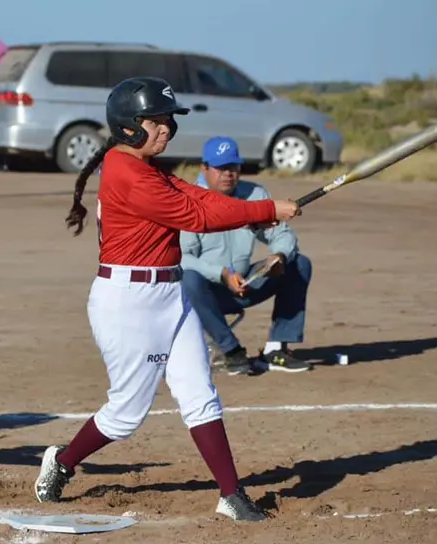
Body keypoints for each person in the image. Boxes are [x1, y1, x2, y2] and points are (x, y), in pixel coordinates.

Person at [31, 77, 301, 522]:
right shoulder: (125, 172)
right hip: (129, 302)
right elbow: (195, 215)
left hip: (170, 294)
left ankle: (231, 494)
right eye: (156, 122)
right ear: (129, 126)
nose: (166, 130)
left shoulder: (147, 168)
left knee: (200, 395)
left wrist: (266, 205)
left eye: (168, 122)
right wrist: (266, 210)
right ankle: (62, 462)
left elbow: (195, 194)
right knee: (125, 415)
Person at [181, 137, 313, 375]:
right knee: (188, 278)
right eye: (221, 168)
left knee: (299, 263)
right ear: (204, 168)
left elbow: (283, 235)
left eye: (233, 167)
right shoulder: (188, 202)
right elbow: (181, 258)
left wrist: (279, 256)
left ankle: (276, 349)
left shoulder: (254, 194)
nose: (228, 174)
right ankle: (230, 350)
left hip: (246, 284)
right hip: (204, 294)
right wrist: (222, 274)